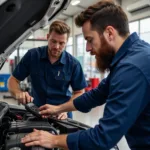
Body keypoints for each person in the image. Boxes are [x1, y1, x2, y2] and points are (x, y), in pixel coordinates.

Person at [21, 0, 150, 150]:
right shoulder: (131, 56)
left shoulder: (132, 68)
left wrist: (53, 140)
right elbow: (95, 95)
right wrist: (58, 109)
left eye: (90, 40)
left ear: (109, 33)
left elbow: (103, 138)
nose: (88, 48)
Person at [8, 20, 87, 119]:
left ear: (67, 42)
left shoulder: (73, 64)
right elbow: (13, 80)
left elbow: (79, 92)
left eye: (61, 43)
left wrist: (64, 109)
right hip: (36, 112)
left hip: (62, 114)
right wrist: (18, 93)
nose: (56, 47)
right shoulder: (32, 56)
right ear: (47, 37)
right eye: (53, 41)